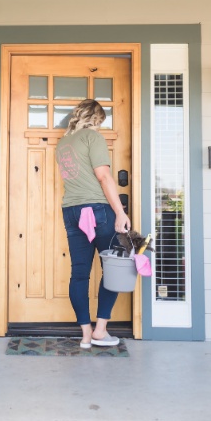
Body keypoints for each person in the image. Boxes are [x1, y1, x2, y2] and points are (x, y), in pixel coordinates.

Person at [56, 99, 131, 349]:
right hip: (97, 210)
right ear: (97, 118)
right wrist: (120, 213)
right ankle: (101, 330)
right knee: (114, 268)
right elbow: (104, 176)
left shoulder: (63, 143)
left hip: (71, 211)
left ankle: (86, 335)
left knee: (79, 273)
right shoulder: (93, 137)